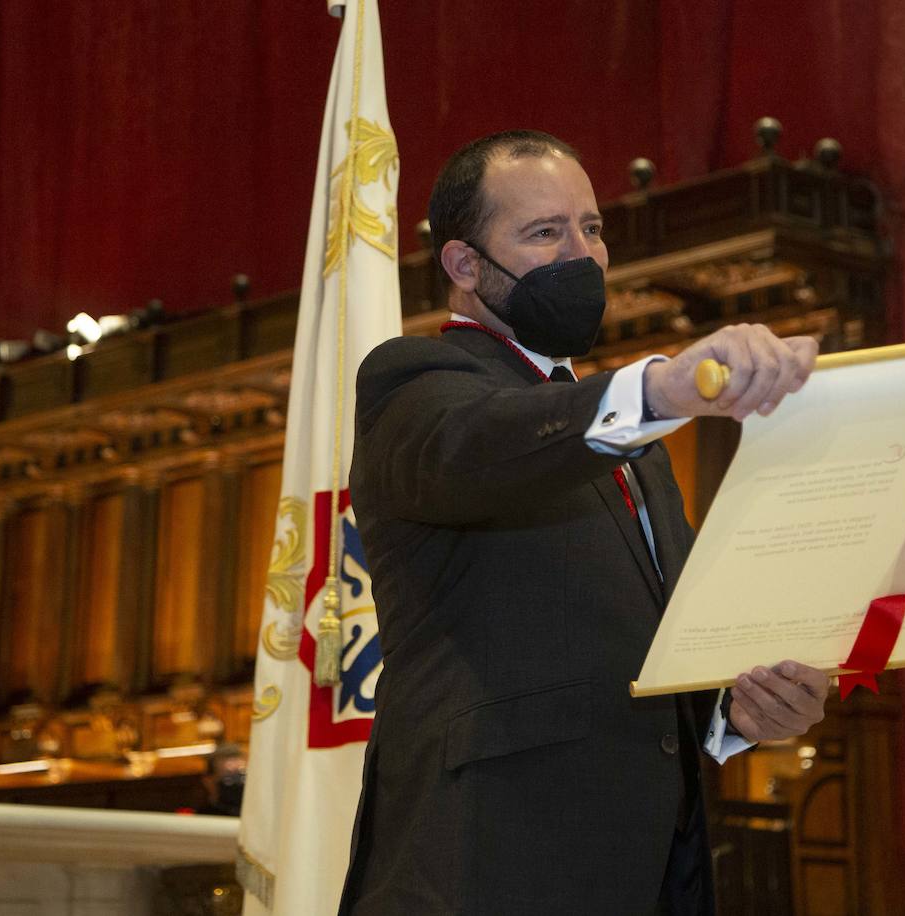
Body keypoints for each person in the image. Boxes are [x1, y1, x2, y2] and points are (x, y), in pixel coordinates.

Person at [339, 130, 832, 916]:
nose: (583, 256)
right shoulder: (414, 385)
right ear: (464, 266)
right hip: (485, 873)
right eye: (544, 233)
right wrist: (665, 389)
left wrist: (741, 713)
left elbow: (665, 661)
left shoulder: (636, 450)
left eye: (592, 229)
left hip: (648, 876)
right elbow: (484, 444)